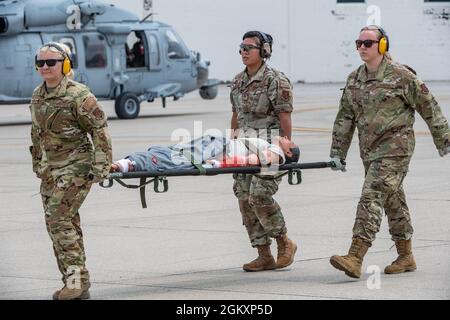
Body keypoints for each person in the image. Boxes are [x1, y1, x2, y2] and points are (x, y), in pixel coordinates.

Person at [328, 25, 450, 278]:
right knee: (393, 200)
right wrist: (337, 152)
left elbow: (429, 106)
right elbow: (345, 117)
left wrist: (444, 140)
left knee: (371, 195)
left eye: (368, 43)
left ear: (382, 45)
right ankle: (406, 256)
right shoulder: (354, 78)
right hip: (369, 151)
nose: (361, 47)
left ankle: (355, 255)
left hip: (396, 149)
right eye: (358, 43)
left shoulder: (401, 76)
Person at [29, 42, 112, 299]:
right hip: (50, 170)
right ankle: (76, 282)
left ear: (64, 64)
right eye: (40, 62)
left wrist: (102, 165)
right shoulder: (37, 95)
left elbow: (99, 129)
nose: (45, 67)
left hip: (77, 166)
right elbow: (37, 132)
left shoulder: (78, 94)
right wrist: (37, 162)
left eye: (51, 62)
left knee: (59, 220)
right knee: (63, 224)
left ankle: (75, 283)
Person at [229, 31, 297, 272]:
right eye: (241, 47)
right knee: (244, 198)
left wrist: (284, 146)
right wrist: (232, 145)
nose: (244, 52)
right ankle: (263, 254)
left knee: (259, 195)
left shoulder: (275, 81)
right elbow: (236, 116)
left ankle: (284, 242)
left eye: (250, 47)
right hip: (245, 148)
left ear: (264, 51)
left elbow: (285, 117)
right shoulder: (237, 81)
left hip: (270, 149)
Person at [110, 135, 300, 173]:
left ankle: (126, 164)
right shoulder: (270, 145)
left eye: (288, 140)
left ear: (288, 151)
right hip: (216, 144)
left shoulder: (277, 154)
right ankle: (127, 162)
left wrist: (220, 164)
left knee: (172, 159)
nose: (285, 137)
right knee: (164, 152)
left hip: (218, 150)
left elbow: (249, 161)